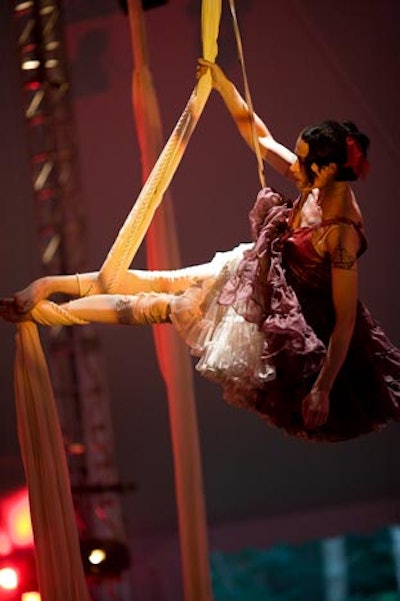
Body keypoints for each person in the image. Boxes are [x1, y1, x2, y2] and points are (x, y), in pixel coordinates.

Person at [1, 61, 399, 442]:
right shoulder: (315, 182)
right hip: (249, 271)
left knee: (166, 305)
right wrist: (221, 84)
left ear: (327, 170)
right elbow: (259, 136)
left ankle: (50, 310)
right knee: (159, 284)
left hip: (269, 309)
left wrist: (324, 388)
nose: (295, 166)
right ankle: (47, 286)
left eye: (304, 161)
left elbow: (345, 322)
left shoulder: (342, 233)